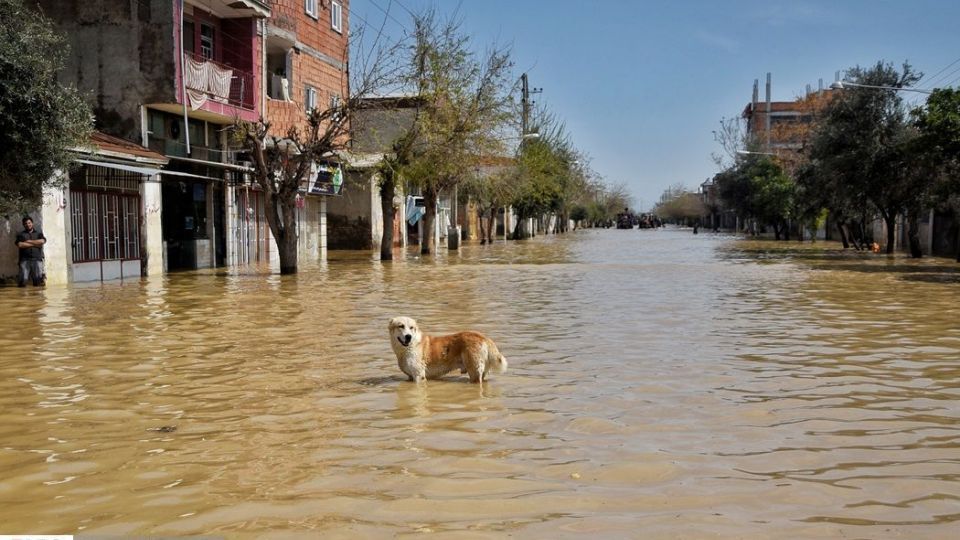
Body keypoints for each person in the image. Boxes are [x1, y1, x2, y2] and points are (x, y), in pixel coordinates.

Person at [15, 216, 45, 287]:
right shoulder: (21, 234)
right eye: (26, 223)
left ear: (32, 223)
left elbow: (42, 241)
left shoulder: (39, 233)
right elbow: (20, 244)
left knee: (38, 282)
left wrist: (28, 241)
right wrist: (35, 244)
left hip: (37, 260)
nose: (28, 224)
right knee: (23, 281)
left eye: (29, 223)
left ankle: (36, 298)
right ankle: (23, 298)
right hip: (24, 260)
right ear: (23, 225)